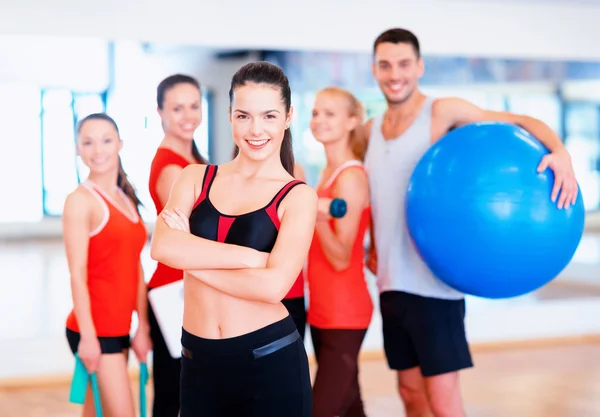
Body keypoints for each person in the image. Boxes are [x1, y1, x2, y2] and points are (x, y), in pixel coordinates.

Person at [363, 28, 579, 417]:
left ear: (419, 67)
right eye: (385, 65)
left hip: (434, 289)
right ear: (375, 69)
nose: (395, 74)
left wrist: (560, 151)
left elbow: (521, 120)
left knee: (444, 403)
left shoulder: (441, 112)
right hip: (391, 284)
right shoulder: (371, 130)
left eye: (404, 64)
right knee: (409, 393)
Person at [150, 61, 317, 416]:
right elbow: (162, 247)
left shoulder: (297, 196)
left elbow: (274, 287)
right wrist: (250, 259)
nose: (256, 129)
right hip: (197, 362)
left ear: (288, 117)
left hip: (269, 360)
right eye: (244, 116)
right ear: (229, 115)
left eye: (269, 116)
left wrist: (191, 260)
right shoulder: (194, 177)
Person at [63, 113, 152, 417]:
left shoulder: (124, 198)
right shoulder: (80, 200)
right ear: (78, 148)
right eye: (88, 142)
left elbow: (135, 268)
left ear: (120, 144)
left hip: (120, 328)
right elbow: (77, 273)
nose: (97, 149)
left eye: (106, 140)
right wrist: (88, 338)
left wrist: (143, 326)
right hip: (94, 331)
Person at [306, 86, 373, 417]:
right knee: (349, 406)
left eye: (329, 114)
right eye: (316, 113)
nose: (319, 120)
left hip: (345, 313)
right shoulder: (325, 174)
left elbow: (341, 257)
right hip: (321, 310)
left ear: (351, 122)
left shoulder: (351, 177)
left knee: (320, 410)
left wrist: (312, 213)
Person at [147, 73, 208, 417]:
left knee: (189, 392)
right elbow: (192, 239)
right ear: (160, 112)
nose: (188, 115)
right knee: (175, 397)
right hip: (173, 291)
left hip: (189, 287)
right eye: (177, 108)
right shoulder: (172, 166)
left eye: (194, 106)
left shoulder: (192, 156)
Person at [232, 142, 309, 339]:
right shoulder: (228, 178)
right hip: (243, 292)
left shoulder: (294, 173)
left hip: (286, 293)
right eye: (244, 117)